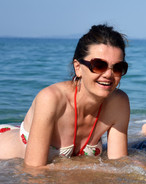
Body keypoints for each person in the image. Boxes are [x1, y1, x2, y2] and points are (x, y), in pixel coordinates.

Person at [0, 24, 130, 167]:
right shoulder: (51, 98)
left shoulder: (119, 103)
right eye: (99, 65)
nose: (108, 75)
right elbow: (34, 172)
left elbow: (119, 167)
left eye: (118, 68)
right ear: (78, 68)